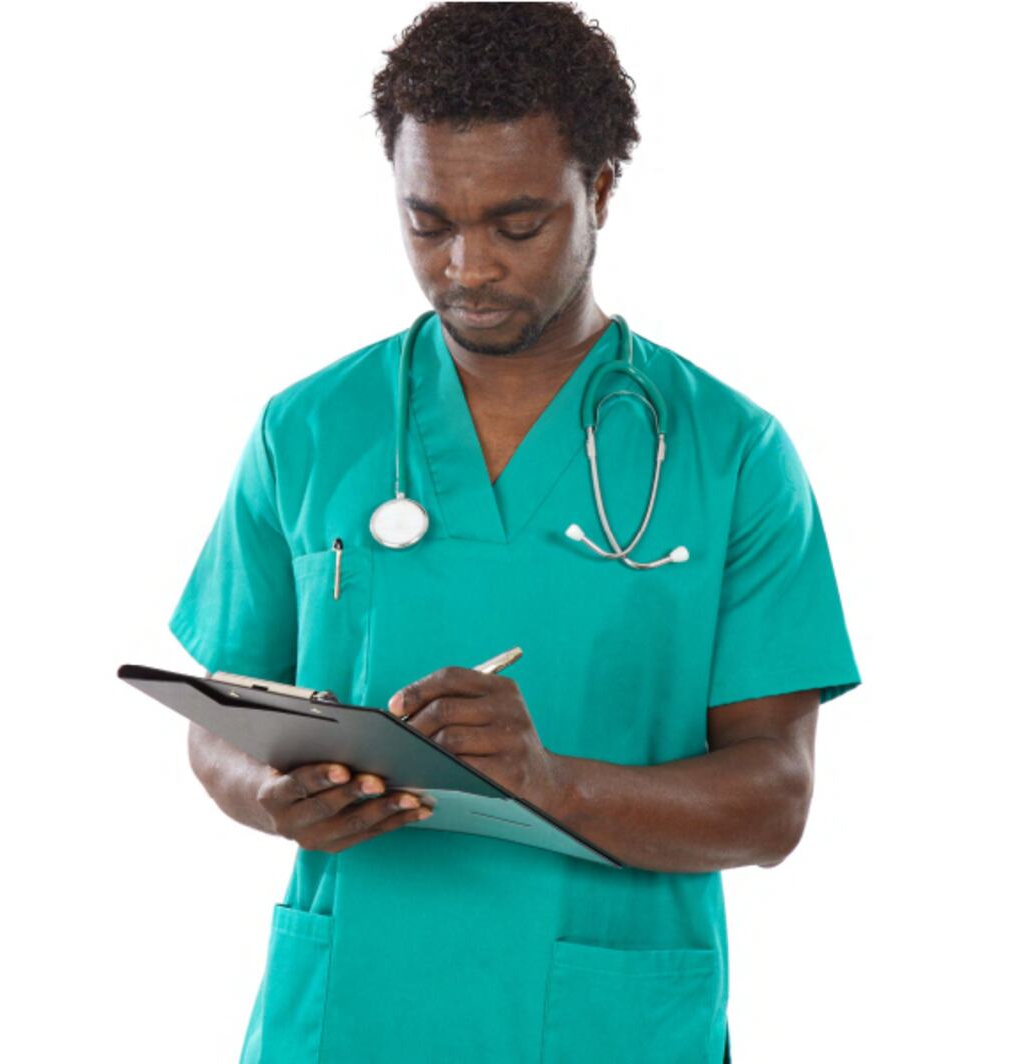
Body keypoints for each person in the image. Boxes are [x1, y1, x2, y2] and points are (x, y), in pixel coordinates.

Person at [167, 4, 861, 1061]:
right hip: (348, 1011)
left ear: (603, 193)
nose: (468, 268)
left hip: (607, 1021)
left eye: (518, 224)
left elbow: (775, 799)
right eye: (429, 222)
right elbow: (218, 718)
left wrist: (551, 780)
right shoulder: (307, 430)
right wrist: (271, 792)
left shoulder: (730, 453)